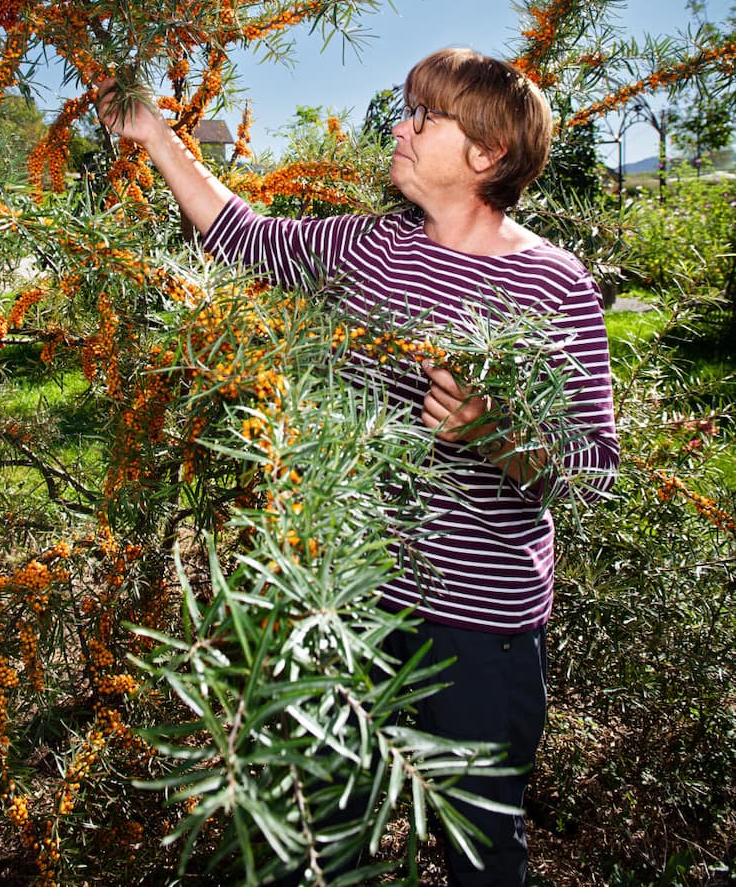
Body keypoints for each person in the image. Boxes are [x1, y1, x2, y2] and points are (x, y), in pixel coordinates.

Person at [97, 48, 619, 887]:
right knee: (323, 823)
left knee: (480, 843)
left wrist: (499, 435)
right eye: (406, 110)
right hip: (349, 599)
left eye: (425, 118)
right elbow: (240, 231)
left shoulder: (550, 284)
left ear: (486, 155)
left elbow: (591, 462)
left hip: (480, 628)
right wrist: (154, 132)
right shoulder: (368, 250)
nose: (400, 128)